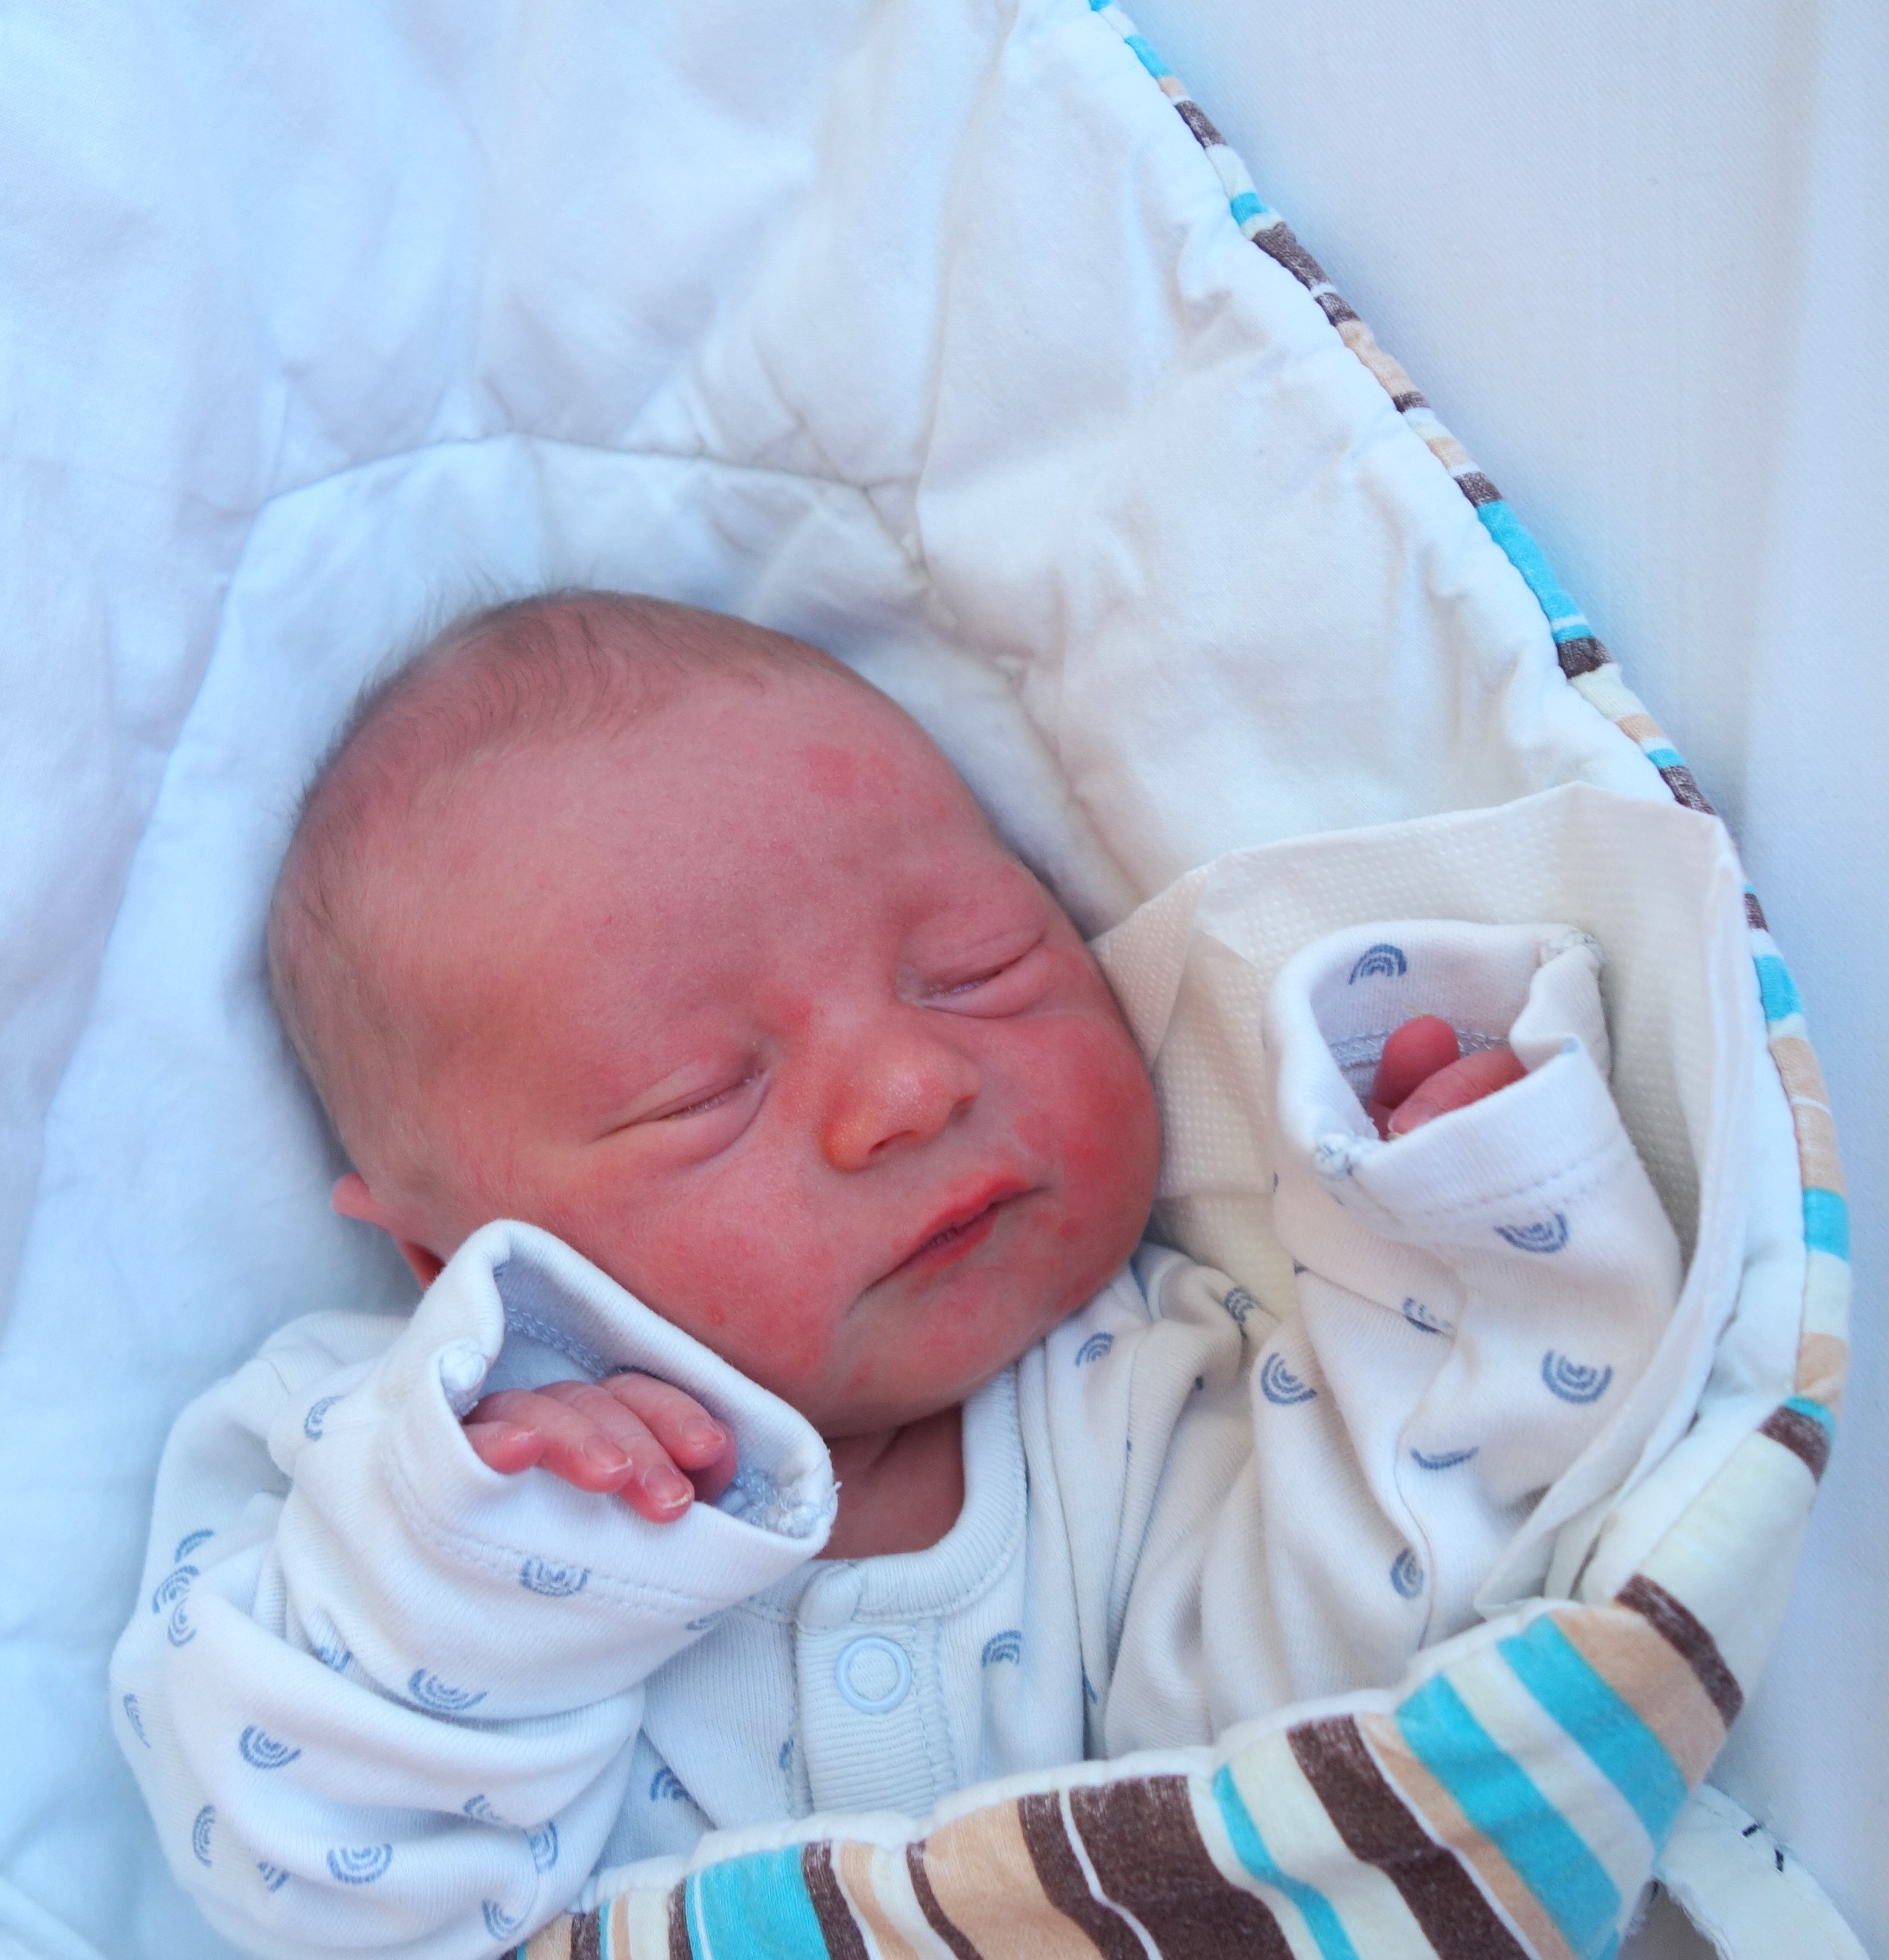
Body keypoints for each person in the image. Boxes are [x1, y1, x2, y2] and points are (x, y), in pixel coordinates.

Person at [111, 593, 1682, 1960]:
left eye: (979, 970)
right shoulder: (375, 1458)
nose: (913, 1087)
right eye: (703, 1094)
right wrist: (480, 1560)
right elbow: (306, 1877)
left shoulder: (1154, 1401)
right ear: (446, 1258)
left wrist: (1468, 1253)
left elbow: (1383, 1705)